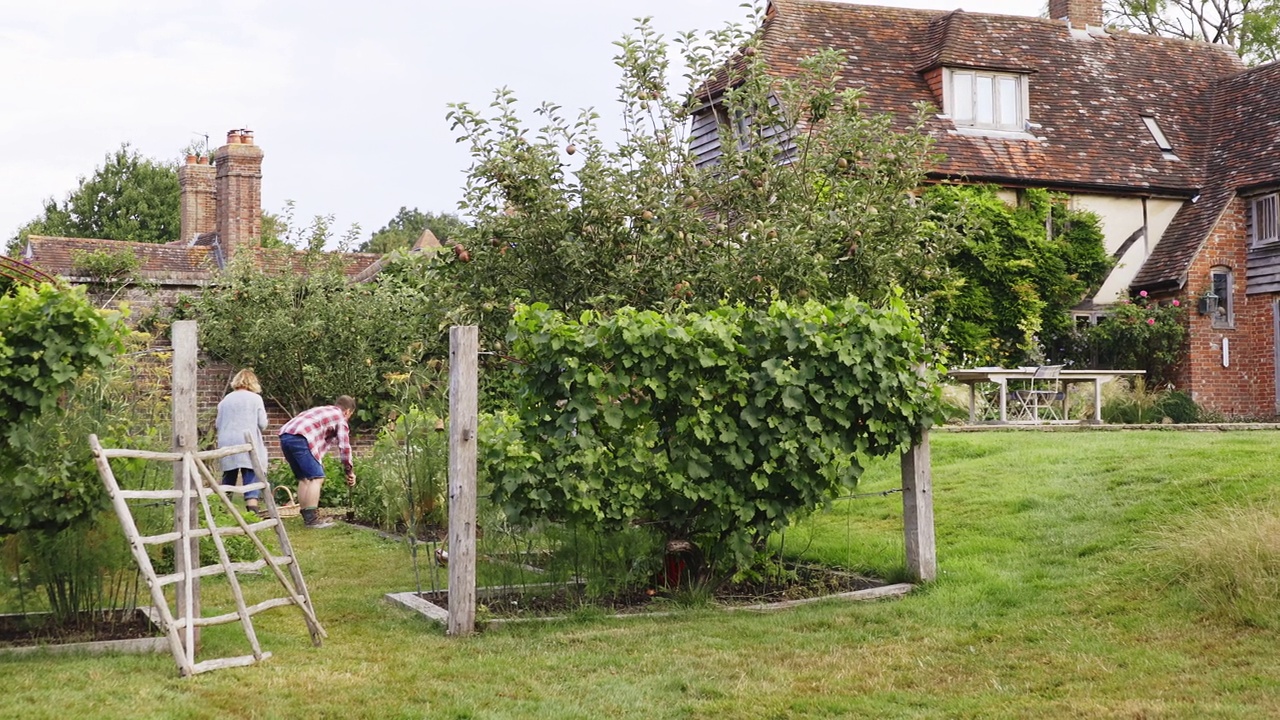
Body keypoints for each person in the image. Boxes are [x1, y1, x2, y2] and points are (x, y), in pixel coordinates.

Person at [278, 396, 357, 529]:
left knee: (304, 478)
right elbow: (344, 447)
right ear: (347, 411)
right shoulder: (340, 418)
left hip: (286, 436)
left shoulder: (322, 410)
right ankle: (312, 520)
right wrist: (349, 471)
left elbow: (317, 442)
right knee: (317, 478)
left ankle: (306, 516)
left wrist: (317, 462)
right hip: (300, 437)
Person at [215, 369, 270, 515]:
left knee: (229, 473)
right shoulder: (255, 399)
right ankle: (252, 509)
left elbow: (218, 423)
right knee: (251, 471)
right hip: (247, 439)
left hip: (226, 440)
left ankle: (223, 509)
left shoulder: (225, 400)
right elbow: (263, 423)